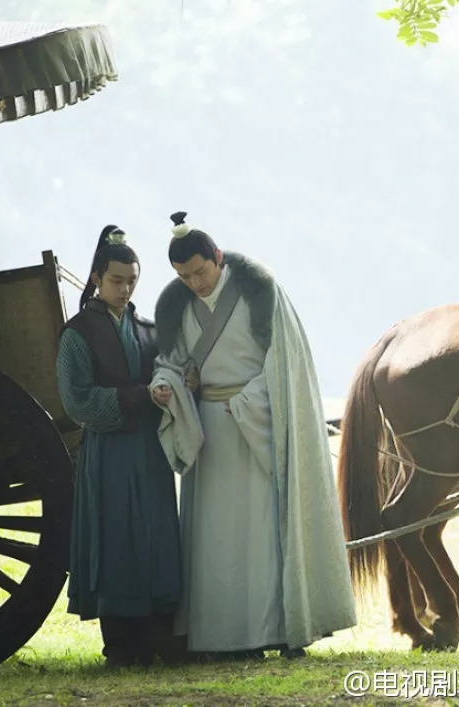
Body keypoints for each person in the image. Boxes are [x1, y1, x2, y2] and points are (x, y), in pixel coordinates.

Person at [150, 211, 356, 661]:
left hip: (255, 424)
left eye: (201, 272)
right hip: (208, 430)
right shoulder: (175, 306)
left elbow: (284, 364)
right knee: (213, 541)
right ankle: (219, 639)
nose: (196, 283)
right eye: (185, 277)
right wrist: (164, 387)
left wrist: (245, 404)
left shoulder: (260, 293)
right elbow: (172, 361)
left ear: (217, 258)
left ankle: (275, 630)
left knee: (263, 533)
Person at [56, 225, 188, 668]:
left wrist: (173, 385)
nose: (125, 288)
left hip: (149, 453)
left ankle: (160, 635)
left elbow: (166, 373)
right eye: (117, 280)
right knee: (116, 539)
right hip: (109, 454)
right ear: (96, 278)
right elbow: (77, 401)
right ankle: (121, 643)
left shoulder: (148, 329)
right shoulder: (77, 333)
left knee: (153, 537)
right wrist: (138, 396)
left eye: (132, 280)